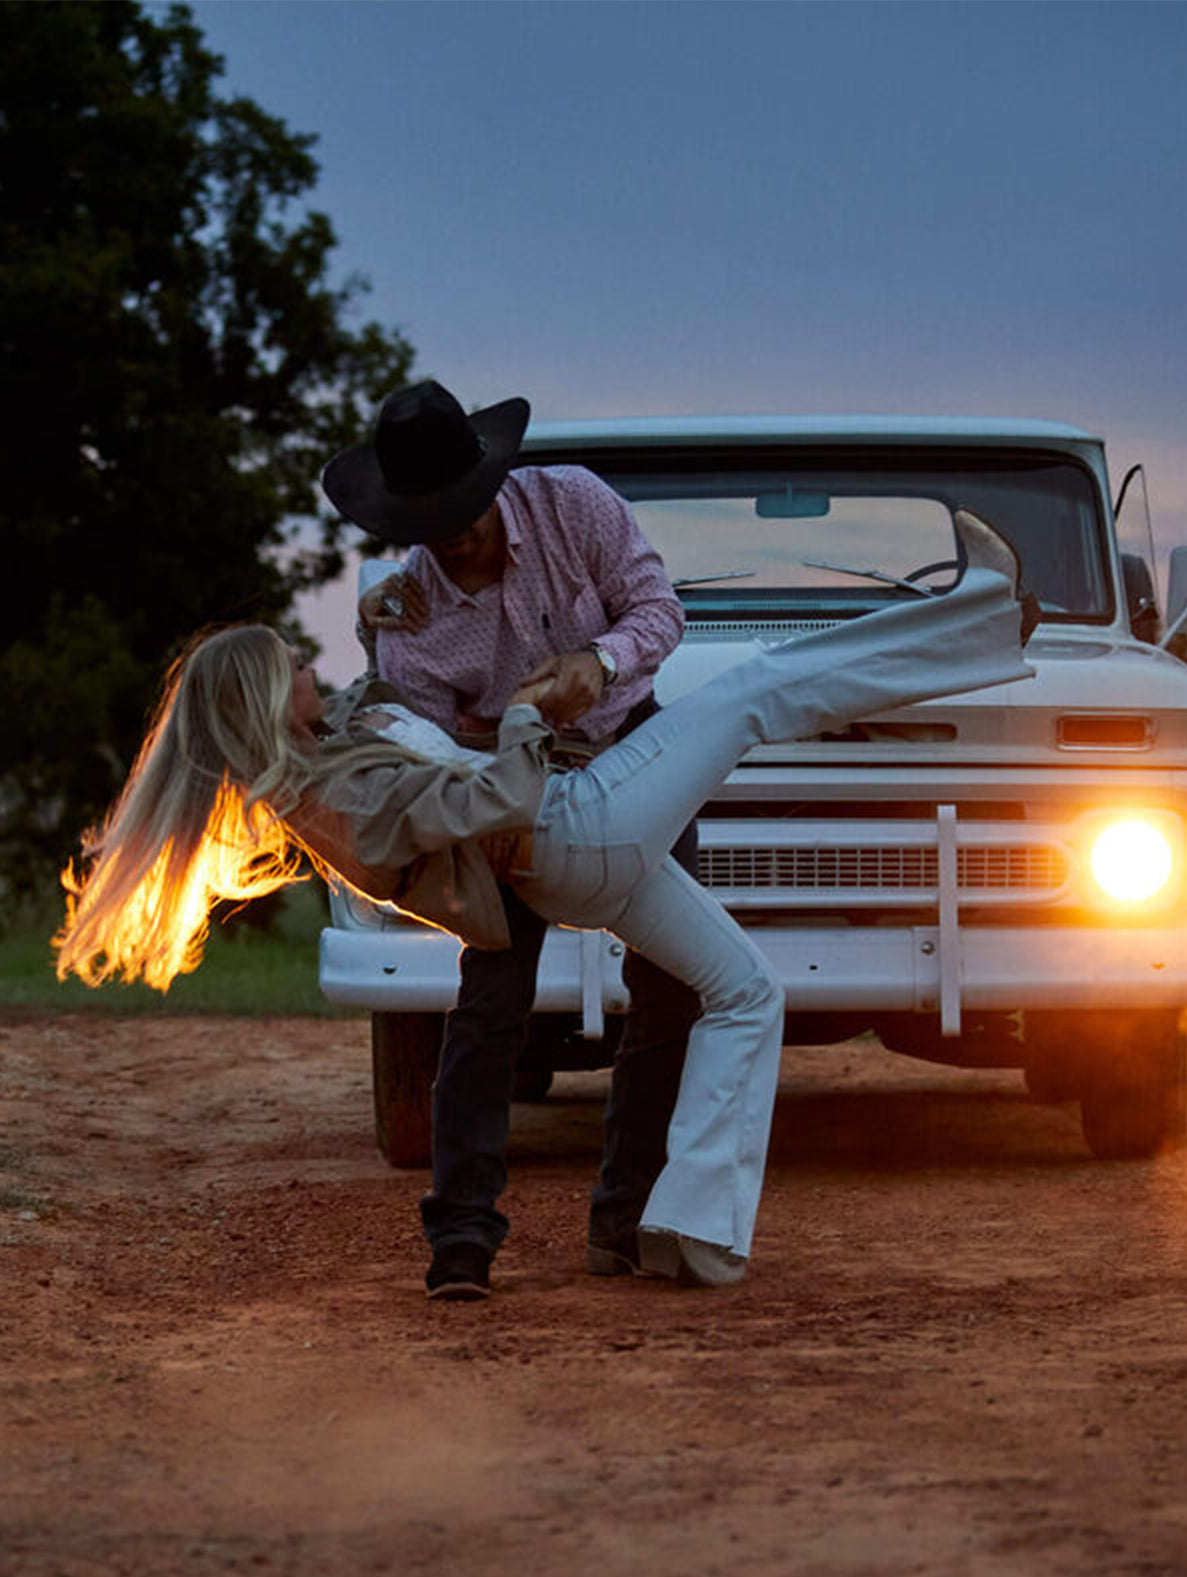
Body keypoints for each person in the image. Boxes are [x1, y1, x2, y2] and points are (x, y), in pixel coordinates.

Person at [55, 510, 1035, 1299]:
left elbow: (397, 712)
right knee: (757, 689)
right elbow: (495, 799)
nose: (310, 667)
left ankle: (686, 1232)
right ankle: (984, 618)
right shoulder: (334, 797)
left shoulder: (329, 754)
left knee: (744, 990)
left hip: (578, 850)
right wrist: (527, 715)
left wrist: (383, 627)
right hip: (578, 821)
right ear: (269, 700)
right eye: (293, 665)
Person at [321, 379, 702, 1283]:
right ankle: (460, 1234)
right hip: (498, 785)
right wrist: (485, 814)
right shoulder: (409, 621)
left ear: (492, 477)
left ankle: (629, 1219)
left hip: (635, 749)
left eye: (464, 507)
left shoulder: (576, 503)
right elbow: (425, 747)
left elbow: (660, 609)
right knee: (491, 996)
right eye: (429, 518)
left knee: (672, 985)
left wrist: (599, 660)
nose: (454, 533)